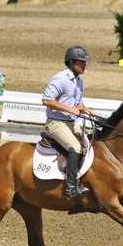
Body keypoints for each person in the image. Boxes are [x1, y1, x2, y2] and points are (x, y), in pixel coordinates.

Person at [42, 45, 95, 200]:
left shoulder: (79, 82)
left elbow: (78, 104)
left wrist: (85, 109)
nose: (85, 65)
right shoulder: (61, 79)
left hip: (72, 122)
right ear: (72, 63)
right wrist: (69, 109)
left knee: (90, 145)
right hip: (56, 122)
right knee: (77, 148)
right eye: (82, 62)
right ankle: (71, 188)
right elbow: (46, 100)